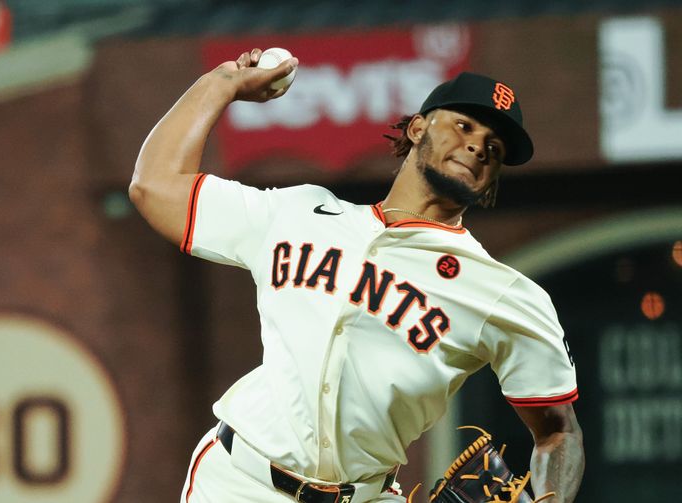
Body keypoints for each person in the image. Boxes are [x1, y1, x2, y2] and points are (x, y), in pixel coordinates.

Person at [129, 48, 584, 502]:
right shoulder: (298, 211)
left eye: (494, 148)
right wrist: (221, 83)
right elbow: (155, 185)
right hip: (239, 483)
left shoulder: (504, 293)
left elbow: (558, 431)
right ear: (418, 127)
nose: (478, 146)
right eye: (465, 126)